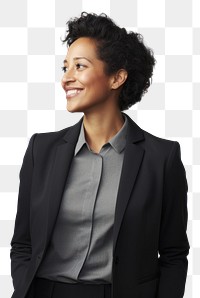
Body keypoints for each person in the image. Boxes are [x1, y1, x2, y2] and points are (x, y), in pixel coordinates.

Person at [10, 12, 190, 298]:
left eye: (79, 66)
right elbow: (23, 243)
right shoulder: (40, 150)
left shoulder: (162, 158)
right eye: (65, 67)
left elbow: (173, 253)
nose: (66, 78)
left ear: (117, 77)